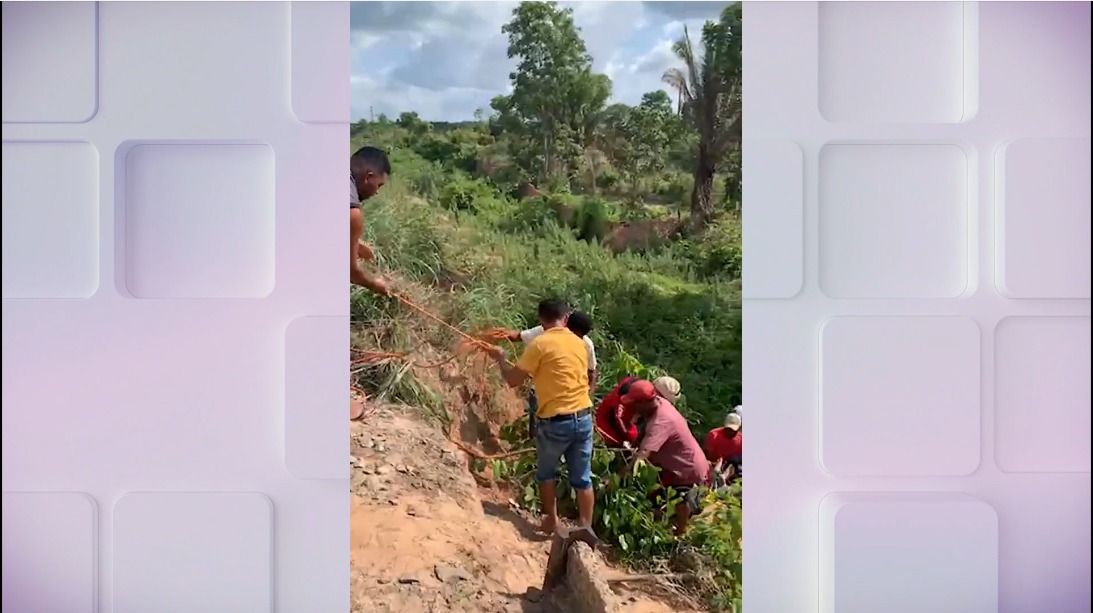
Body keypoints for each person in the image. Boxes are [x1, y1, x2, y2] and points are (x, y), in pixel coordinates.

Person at [484, 299, 595, 534]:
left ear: (540, 320)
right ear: (565, 319)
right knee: (583, 479)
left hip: (556, 421)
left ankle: (551, 521)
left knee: (546, 473)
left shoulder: (540, 344)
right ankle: (586, 527)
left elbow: (513, 380)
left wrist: (501, 358)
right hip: (584, 418)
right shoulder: (580, 343)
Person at [621, 380, 710, 536]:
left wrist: (617, 478)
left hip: (687, 470)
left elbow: (641, 459)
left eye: (634, 404)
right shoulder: (658, 403)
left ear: (643, 403)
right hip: (674, 464)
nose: (631, 407)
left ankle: (680, 533)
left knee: (679, 501)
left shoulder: (661, 421)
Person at [491, 310, 598, 440]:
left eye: (579, 336)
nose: (575, 339)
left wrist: (588, 396)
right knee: (537, 433)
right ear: (565, 325)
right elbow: (518, 336)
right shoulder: (544, 333)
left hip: (571, 410)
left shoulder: (586, 344)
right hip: (544, 399)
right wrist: (489, 336)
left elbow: (591, 371)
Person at [350, 146, 392, 296]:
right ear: (368, 177)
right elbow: (352, 273)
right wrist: (374, 284)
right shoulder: (352, 213)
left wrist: (356, 244)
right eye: (378, 185)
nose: (377, 192)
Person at [594, 376, 641, 448]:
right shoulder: (618, 403)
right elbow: (618, 420)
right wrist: (629, 438)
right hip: (607, 427)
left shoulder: (631, 384)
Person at [704, 412, 742, 487]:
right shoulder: (714, 435)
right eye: (728, 429)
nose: (730, 432)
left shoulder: (741, 439)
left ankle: (723, 478)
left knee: (734, 462)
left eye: (733, 430)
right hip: (714, 464)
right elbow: (706, 453)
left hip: (731, 466)